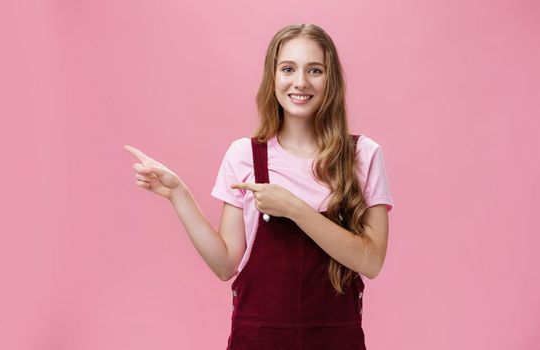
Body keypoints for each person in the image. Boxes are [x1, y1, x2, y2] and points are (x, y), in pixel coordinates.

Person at [123, 23, 393, 349]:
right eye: (288, 69)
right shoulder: (244, 155)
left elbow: (371, 261)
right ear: (273, 77)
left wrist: (293, 209)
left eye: (315, 70)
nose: (300, 82)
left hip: (336, 339)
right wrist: (178, 193)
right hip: (257, 339)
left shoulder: (362, 155)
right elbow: (225, 265)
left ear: (330, 79)